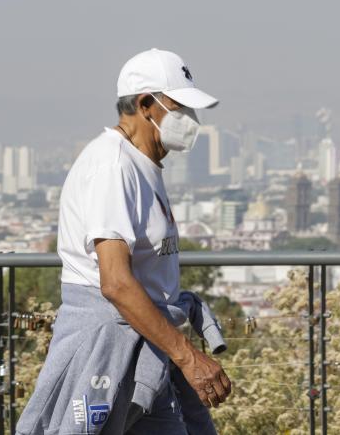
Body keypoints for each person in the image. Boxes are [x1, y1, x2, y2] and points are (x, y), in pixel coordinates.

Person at [16, 48, 231, 435]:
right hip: (109, 348)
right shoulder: (112, 165)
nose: (192, 120)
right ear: (147, 104)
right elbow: (115, 281)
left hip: (147, 345)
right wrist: (187, 357)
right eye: (181, 107)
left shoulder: (141, 164)